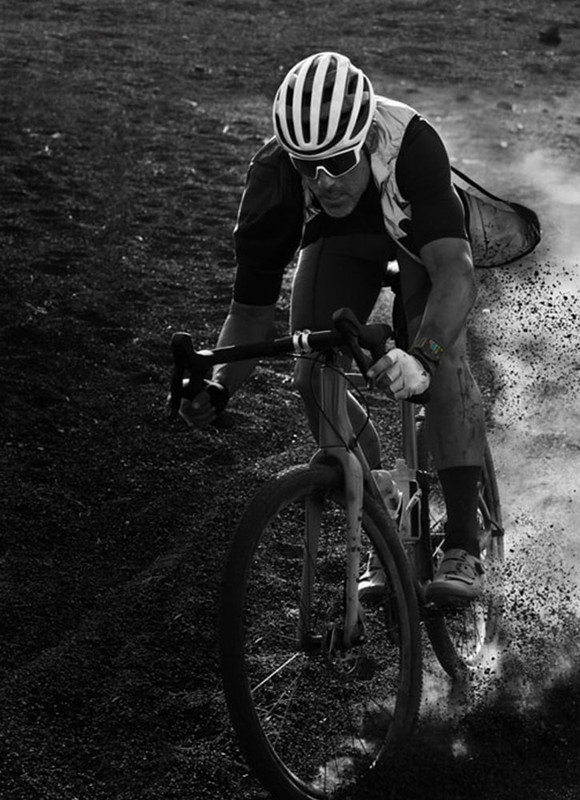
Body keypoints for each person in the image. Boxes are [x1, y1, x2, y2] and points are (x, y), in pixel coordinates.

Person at [181, 51, 493, 604]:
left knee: (443, 363)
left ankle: (465, 544)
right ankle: (383, 510)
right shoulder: (274, 176)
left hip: (417, 240)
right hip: (342, 242)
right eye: (308, 166)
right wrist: (219, 385)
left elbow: (455, 273)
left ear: (367, 140)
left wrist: (422, 356)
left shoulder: (411, 144)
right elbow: (250, 314)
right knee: (312, 373)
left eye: (340, 161)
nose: (324, 182)